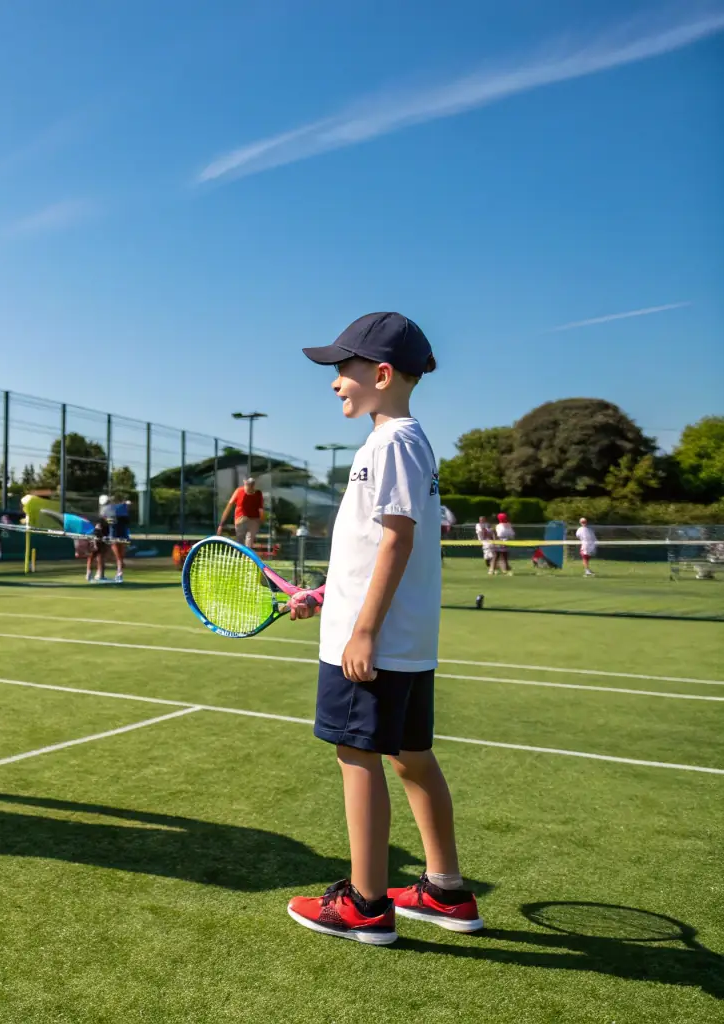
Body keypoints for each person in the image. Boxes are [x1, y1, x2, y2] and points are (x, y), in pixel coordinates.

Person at [285, 312, 483, 945]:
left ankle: (365, 904)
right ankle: (444, 890)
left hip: (376, 642)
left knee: (356, 755)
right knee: (411, 756)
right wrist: (324, 594)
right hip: (404, 640)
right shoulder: (406, 441)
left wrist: (361, 630)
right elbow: (372, 547)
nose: (335, 383)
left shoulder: (391, 442)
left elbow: (397, 540)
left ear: (381, 373)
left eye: (342, 371)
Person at [217, 475, 264, 550]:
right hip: (241, 519)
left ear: (254, 485)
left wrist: (260, 522)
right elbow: (229, 506)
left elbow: (261, 509)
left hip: (254, 520)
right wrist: (221, 524)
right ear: (244, 483)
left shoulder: (258, 494)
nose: (250, 487)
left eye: (252, 485)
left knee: (249, 541)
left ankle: (246, 558)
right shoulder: (239, 491)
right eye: (248, 485)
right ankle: (240, 556)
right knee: (240, 541)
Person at [99, 493, 130, 583]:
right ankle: (119, 570)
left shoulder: (116, 509)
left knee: (119, 551)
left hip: (118, 533)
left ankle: (119, 570)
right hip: (116, 533)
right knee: (117, 552)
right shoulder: (107, 510)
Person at [86, 516, 111, 583]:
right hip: (96, 540)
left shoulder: (108, 524)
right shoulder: (100, 522)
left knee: (100, 557)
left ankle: (100, 574)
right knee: (93, 556)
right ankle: (90, 573)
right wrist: (95, 544)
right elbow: (96, 533)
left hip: (102, 541)